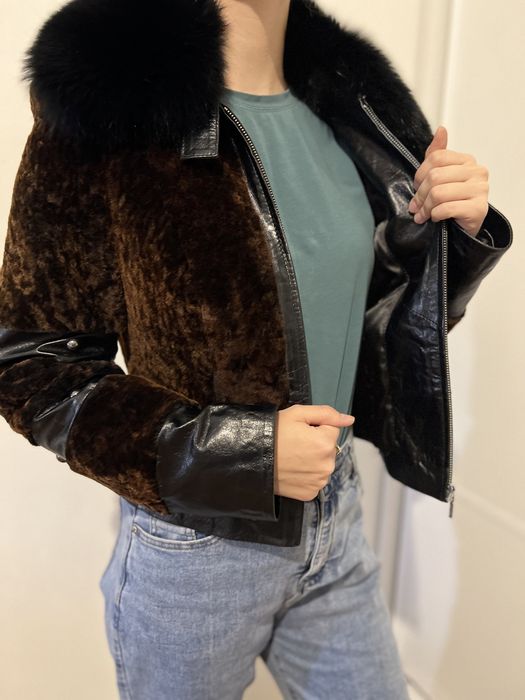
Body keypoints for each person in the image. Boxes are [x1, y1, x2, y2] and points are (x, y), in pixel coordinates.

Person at [0, 0, 513, 698]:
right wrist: (241, 452)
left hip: (336, 519)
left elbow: (362, 322)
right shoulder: (110, 98)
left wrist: (444, 237)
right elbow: (33, 365)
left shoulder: (354, 98)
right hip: (197, 553)